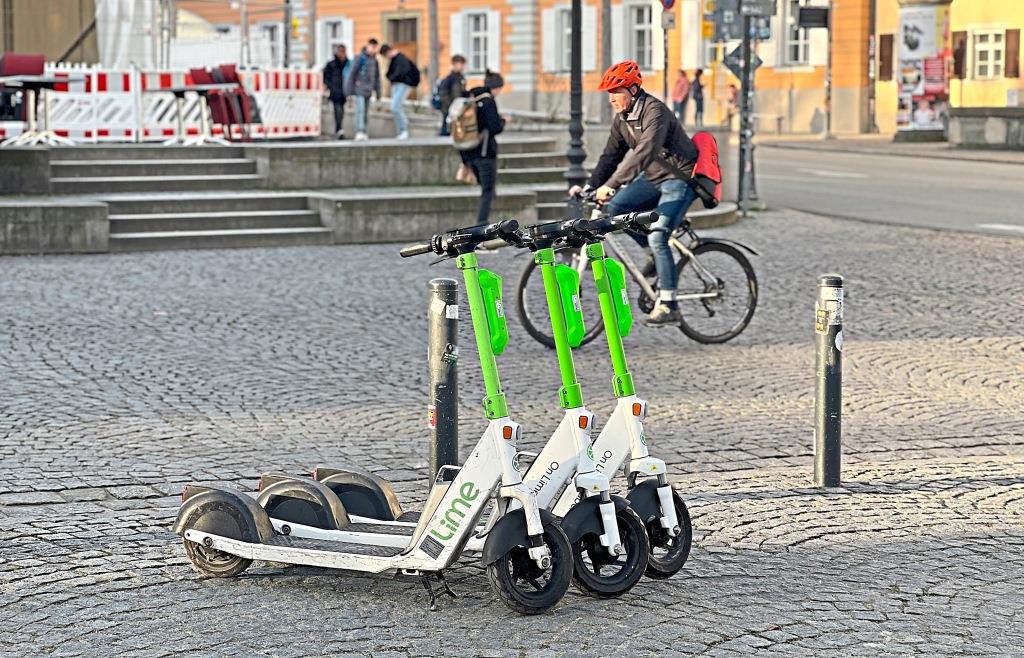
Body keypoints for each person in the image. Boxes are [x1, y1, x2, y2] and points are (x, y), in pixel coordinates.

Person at [568, 60, 699, 326]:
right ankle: (652, 254)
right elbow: (610, 156)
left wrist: (612, 185)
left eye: (617, 92)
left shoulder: (655, 112)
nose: (612, 99)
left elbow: (645, 151)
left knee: (659, 235)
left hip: (680, 179)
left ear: (634, 90)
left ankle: (669, 305)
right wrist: (592, 186)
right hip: (652, 178)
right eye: (609, 93)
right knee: (617, 209)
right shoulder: (622, 120)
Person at [460, 70, 506, 225]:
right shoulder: (488, 101)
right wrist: (503, 122)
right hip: (485, 153)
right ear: (497, 87)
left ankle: (488, 225)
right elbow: (494, 128)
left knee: (488, 190)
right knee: (488, 192)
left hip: (468, 151)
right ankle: (481, 228)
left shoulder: (470, 99)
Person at [380, 44, 420, 140]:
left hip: (403, 85)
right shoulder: (394, 60)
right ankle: (401, 130)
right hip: (397, 85)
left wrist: (392, 78)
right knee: (397, 107)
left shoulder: (401, 59)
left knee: (395, 107)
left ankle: (404, 129)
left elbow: (401, 72)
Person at [346, 38, 381, 141]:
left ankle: (364, 131)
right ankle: (359, 131)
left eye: (375, 48)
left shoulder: (375, 61)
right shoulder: (360, 58)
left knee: (366, 112)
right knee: (360, 110)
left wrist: (378, 93)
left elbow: (377, 78)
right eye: (372, 47)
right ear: (368, 46)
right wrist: (349, 91)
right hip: (359, 89)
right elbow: (352, 74)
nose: (373, 49)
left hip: (369, 90)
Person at [322, 44, 350, 139]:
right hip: (335, 91)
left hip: (344, 91)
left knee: (341, 111)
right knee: (338, 110)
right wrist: (329, 85)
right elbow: (325, 76)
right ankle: (339, 129)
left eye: (343, 52)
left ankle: (339, 129)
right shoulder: (331, 64)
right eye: (340, 52)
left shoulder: (347, 63)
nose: (342, 54)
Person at [437, 54, 466, 136]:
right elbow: (444, 92)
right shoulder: (450, 78)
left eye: (462, 64)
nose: (462, 66)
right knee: (446, 125)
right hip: (449, 106)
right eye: (460, 64)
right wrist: (450, 104)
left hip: (456, 105)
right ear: (454, 64)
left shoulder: (460, 77)